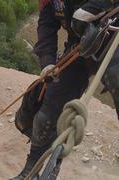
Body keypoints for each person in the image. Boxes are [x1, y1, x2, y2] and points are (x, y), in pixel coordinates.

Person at [11, 0, 119, 179]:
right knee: (46, 114)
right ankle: (31, 170)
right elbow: (46, 27)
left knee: (116, 77)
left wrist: (93, 7)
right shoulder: (50, 2)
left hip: (111, 34)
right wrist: (47, 63)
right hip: (79, 47)